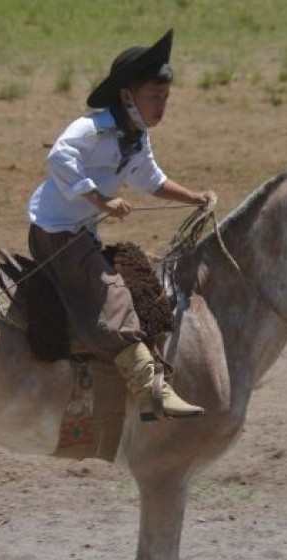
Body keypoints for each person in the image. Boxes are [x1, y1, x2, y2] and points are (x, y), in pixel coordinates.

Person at [27, 29, 214, 420]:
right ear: (128, 96)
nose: (162, 107)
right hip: (56, 232)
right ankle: (150, 389)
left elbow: (152, 179)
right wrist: (101, 199)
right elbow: (59, 158)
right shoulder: (91, 128)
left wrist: (193, 197)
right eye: (155, 98)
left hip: (81, 233)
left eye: (166, 99)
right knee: (111, 293)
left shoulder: (137, 137)